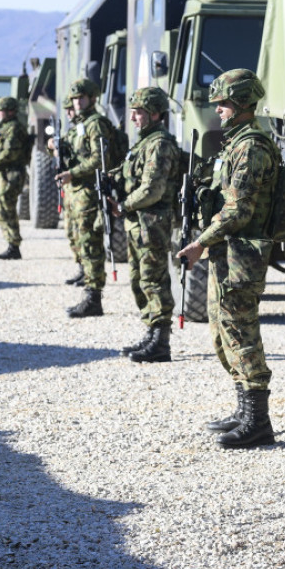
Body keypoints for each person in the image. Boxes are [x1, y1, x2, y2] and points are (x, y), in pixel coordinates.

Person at [177, 68, 278, 449]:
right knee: (223, 334)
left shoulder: (251, 148)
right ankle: (243, 409)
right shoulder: (234, 144)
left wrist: (200, 243)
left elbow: (238, 211)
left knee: (241, 332)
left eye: (223, 103)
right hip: (228, 251)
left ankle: (258, 420)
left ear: (240, 104)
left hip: (243, 255)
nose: (217, 109)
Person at [109, 87, 179, 363]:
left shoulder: (159, 144)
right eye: (133, 112)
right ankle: (151, 331)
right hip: (138, 223)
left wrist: (124, 205)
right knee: (139, 280)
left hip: (152, 224)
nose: (133, 117)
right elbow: (130, 173)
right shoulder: (143, 143)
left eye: (138, 112)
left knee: (154, 280)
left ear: (154, 113)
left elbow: (153, 189)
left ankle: (161, 342)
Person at [55, 78, 116, 317]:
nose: (77, 103)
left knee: (91, 244)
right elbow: (73, 153)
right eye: (74, 99)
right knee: (80, 241)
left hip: (88, 193)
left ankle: (94, 298)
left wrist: (73, 173)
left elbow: (100, 159)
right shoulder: (78, 125)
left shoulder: (95, 124)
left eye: (81, 98)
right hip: (75, 192)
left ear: (92, 98)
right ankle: (88, 290)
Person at [0, 96, 30, 259]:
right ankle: (11, 243)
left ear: (10, 111)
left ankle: (14, 245)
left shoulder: (14, 128)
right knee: (4, 210)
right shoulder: (3, 128)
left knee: (7, 209)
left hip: (12, 173)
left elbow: (10, 153)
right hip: (4, 173)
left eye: (0, 110)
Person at [51, 95, 85, 286]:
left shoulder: (89, 126)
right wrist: (52, 147)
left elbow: (94, 160)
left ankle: (90, 276)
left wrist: (72, 173)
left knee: (84, 235)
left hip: (83, 190)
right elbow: (63, 151)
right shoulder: (73, 131)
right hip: (72, 190)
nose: (69, 113)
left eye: (70, 109)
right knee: (72, 233)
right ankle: (81, 268)